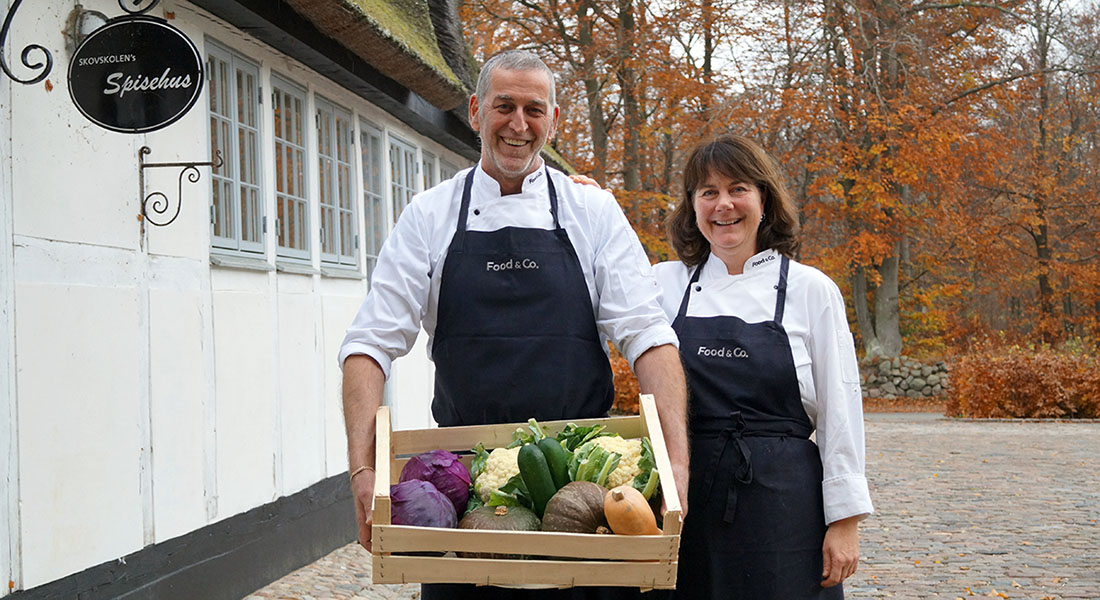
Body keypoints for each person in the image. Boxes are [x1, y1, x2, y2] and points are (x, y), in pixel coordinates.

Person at [338, 49, 689, 599]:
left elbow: (648, 336)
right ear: (477, 111)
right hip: (467, 498)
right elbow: (369, 344)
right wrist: (363, 474)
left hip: (583, 491)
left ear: (554, 120)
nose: (518, 125)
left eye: (534, 109)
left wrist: (675, 467)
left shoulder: (591, 212)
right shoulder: (430, 214)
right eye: (504, 106)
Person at [652, 134, 873, 599]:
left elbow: (841, 411)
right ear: (692, 206)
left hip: (784, 507)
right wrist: (585, 200)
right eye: (708, 192)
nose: (723, 205)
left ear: (764, 199)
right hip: (684, 501)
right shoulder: (662, 285)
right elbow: (592, 283)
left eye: (738, 189)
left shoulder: (811, 289)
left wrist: (845, 522)